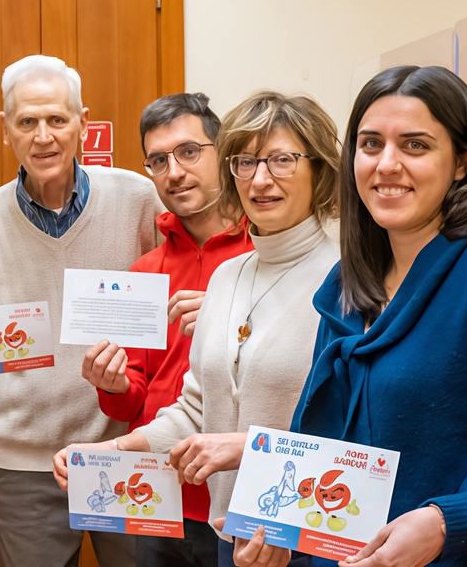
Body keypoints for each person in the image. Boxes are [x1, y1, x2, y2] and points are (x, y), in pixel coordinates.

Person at [243, 65, 467, 567]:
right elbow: (322, 451)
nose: (386, 164)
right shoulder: (344, 287)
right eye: (371, 144)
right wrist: (280, 533)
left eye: (415, 146)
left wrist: (445, 522)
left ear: (462, 162)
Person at [54, 90, 342, 567]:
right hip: (233, 530)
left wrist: (279, 502)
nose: (261, 179)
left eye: (282, 161)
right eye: (246, 163)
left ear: (320, 170)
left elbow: (356, 432)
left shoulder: (351, 281)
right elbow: (195, 409)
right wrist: (112, 450)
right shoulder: (229, 278)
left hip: (303, 532)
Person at [0, 54, 163, 567]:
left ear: (82, 122)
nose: (43, 136)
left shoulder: (140, 199)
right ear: (5, 129)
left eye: (57, 119)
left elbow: (183, 284)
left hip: (125, 450)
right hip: (21, 461)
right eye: (27, 121)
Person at [80, 92, 253, 567]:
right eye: (158, 160)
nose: (174, 171)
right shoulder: (144, 273)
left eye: (189, 152)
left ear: (224, 153)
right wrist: (110, 384)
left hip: (237, 492)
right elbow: (131, 399)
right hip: (155, 492)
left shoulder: (263, 255)